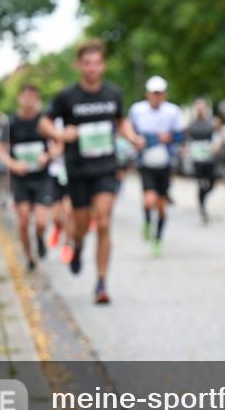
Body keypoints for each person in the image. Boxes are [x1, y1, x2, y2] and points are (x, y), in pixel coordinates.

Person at [39, 39, 143, 304]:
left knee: (105, 221)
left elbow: (121, 121)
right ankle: (77, 246)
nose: (92, 68)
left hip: (106, 167)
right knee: (81, 226)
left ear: (103, 65)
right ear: (79, 65)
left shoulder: (113, 94)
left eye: (97, 63)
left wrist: (132, 137)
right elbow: (44, 124)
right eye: (87, 63)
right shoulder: (67, 96)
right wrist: (61, 134)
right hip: (78, 170)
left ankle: (101, 282)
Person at [0, 84, 55, 271]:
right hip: (20, 178)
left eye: (33, 97)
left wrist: (48, 155)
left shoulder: (44, 122)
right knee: (22, 219)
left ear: (37, 99)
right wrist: (13, 164)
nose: (29, 101)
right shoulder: (11, 123)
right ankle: (29, 258)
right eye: (25, 96)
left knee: (41, 221)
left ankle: (39, 238)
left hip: (42, 177)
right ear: (19, 98)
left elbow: (58, 142)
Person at [128, 76, 185, 256]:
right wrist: (137, 141)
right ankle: (146, 220)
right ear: (148, 94)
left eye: (159, 94)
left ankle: (158, 239)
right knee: (148, 200)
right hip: (146, 162)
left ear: (164, 95)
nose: (156, 97)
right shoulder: (137, 110)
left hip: (164, 164)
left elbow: (181, 134)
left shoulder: (173, 112)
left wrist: (170, 138)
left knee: (161, 206)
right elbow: (130, 131)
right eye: (154, 94)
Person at [187, 99, 222, 224]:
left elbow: (218, 135)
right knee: (201, 184)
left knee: (212, 183)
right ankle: (202, 208)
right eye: (198, 108)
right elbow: (188, 139)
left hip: (209, 158)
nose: (200, 111)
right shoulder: (192, 124)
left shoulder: (213, 122)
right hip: (198, 159)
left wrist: (216, 145)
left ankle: (204, 199)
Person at [47, 117, 74, 265]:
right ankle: (57, 228)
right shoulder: (52, 123)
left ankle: (67, 245)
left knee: (69, 212)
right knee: (56, 216)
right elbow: (53, 151)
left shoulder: (75, 121)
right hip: (56, 175)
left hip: (72, 175)